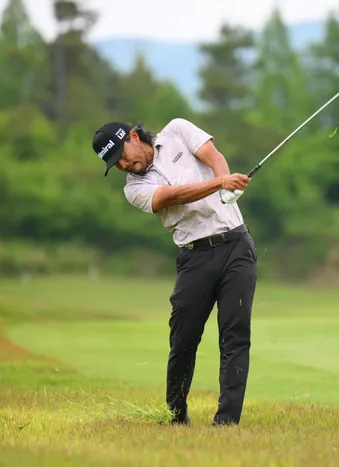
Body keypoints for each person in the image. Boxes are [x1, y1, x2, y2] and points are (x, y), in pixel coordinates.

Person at [91, 118, 258, 427]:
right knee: (183, 339)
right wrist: (220, 184)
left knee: (235, 335)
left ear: (133, 136)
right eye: (116, 164)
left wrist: (226, 184)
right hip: (195, 257)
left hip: (236, 245)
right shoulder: (134, 189)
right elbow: (173, 196)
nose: (123, 166)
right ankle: (176, 416)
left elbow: (214, 157)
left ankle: (227, 422)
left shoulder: (178, 130)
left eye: (121, 155)